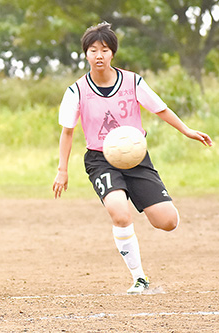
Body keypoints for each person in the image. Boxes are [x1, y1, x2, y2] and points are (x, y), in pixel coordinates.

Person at [52, 23, 213, 295]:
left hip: (136, 157)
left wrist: (186, 130)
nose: (99, 55)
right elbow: (67, 133)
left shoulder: (132, 81)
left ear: (112, 53)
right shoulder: (76, 91)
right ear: (86, 55)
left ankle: (156, 207)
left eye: (104, 50)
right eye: (93, 50)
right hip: (100, 158)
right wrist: (62, 170)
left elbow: (160, 109)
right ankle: (139, 278)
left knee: (168, 222)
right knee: (120, 212)